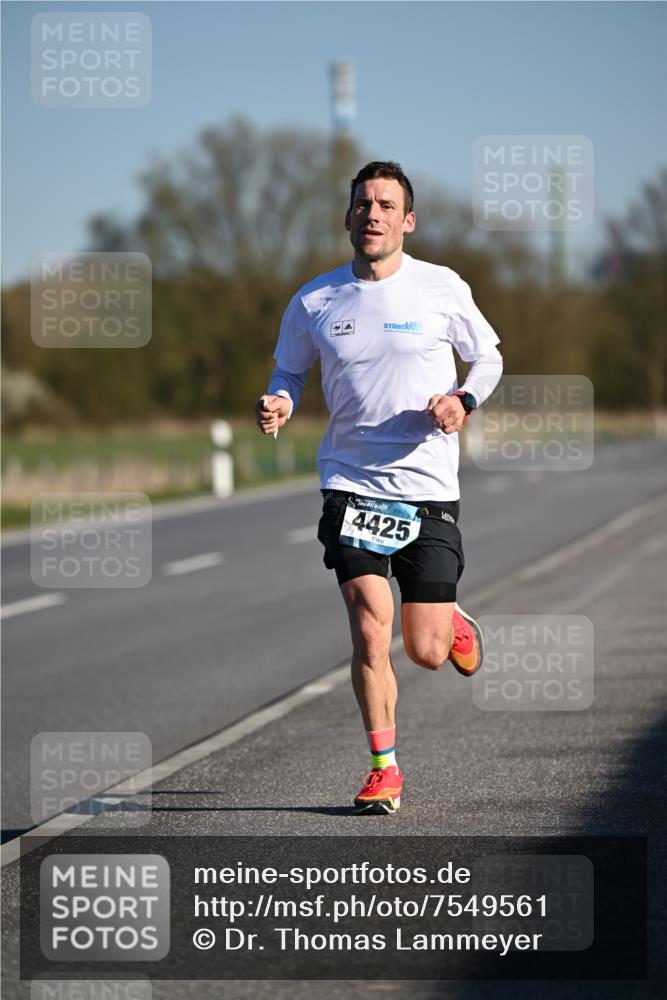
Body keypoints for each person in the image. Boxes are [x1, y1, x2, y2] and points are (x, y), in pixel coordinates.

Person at [255, 161, 503, 815]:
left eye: (386, 204)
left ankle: (448, 621)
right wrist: (279, 400)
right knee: (369, 630)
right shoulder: (314, 300)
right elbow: (288, 369)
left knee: (421, 651)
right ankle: (382, 769)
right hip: (351, 486)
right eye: (362, 203)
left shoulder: (440, 287)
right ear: (347, 217)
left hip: (426, 488)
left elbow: (489, 356)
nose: (372, 214)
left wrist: (463, 400)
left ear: (406, 220)